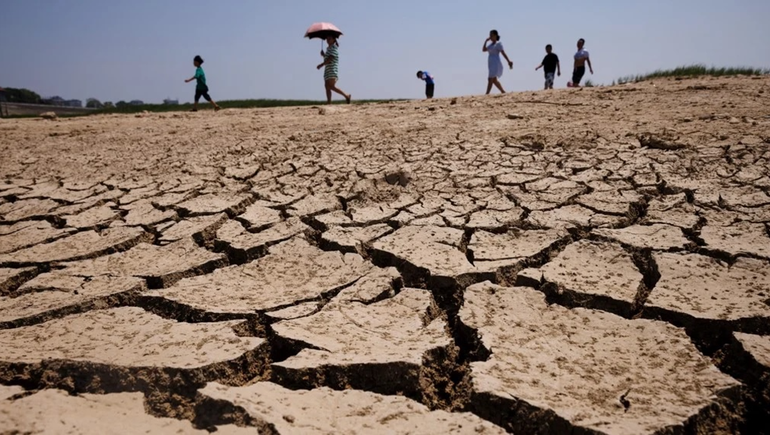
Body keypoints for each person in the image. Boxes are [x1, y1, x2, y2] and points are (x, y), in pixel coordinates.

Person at [317, 36, 351, 104]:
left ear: (334, 40)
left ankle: (346, 95)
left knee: (331, 86)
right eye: (327, 38)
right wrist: (324, 55)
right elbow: (328, 58)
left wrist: (321, 64)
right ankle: (329, 102)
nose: (328, 39)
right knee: (327, 86)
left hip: (332, 70)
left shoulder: (333, 48)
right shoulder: (329, 48)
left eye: (330, 38)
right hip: (328, 70)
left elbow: (330, 58)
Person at [482, 30, 514, 95]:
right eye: (490, 35)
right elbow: (483, 50)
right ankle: (503, 91)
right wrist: (485, 41)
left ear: (495, 36)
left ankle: (487, 93)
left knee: (490, 78)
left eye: (491, 35)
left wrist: (508, 61)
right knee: (494, 80)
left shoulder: (498, 44)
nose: (490, 37)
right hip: (491, 63)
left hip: (495, 63)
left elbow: (503, 53)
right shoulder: (490, 45)